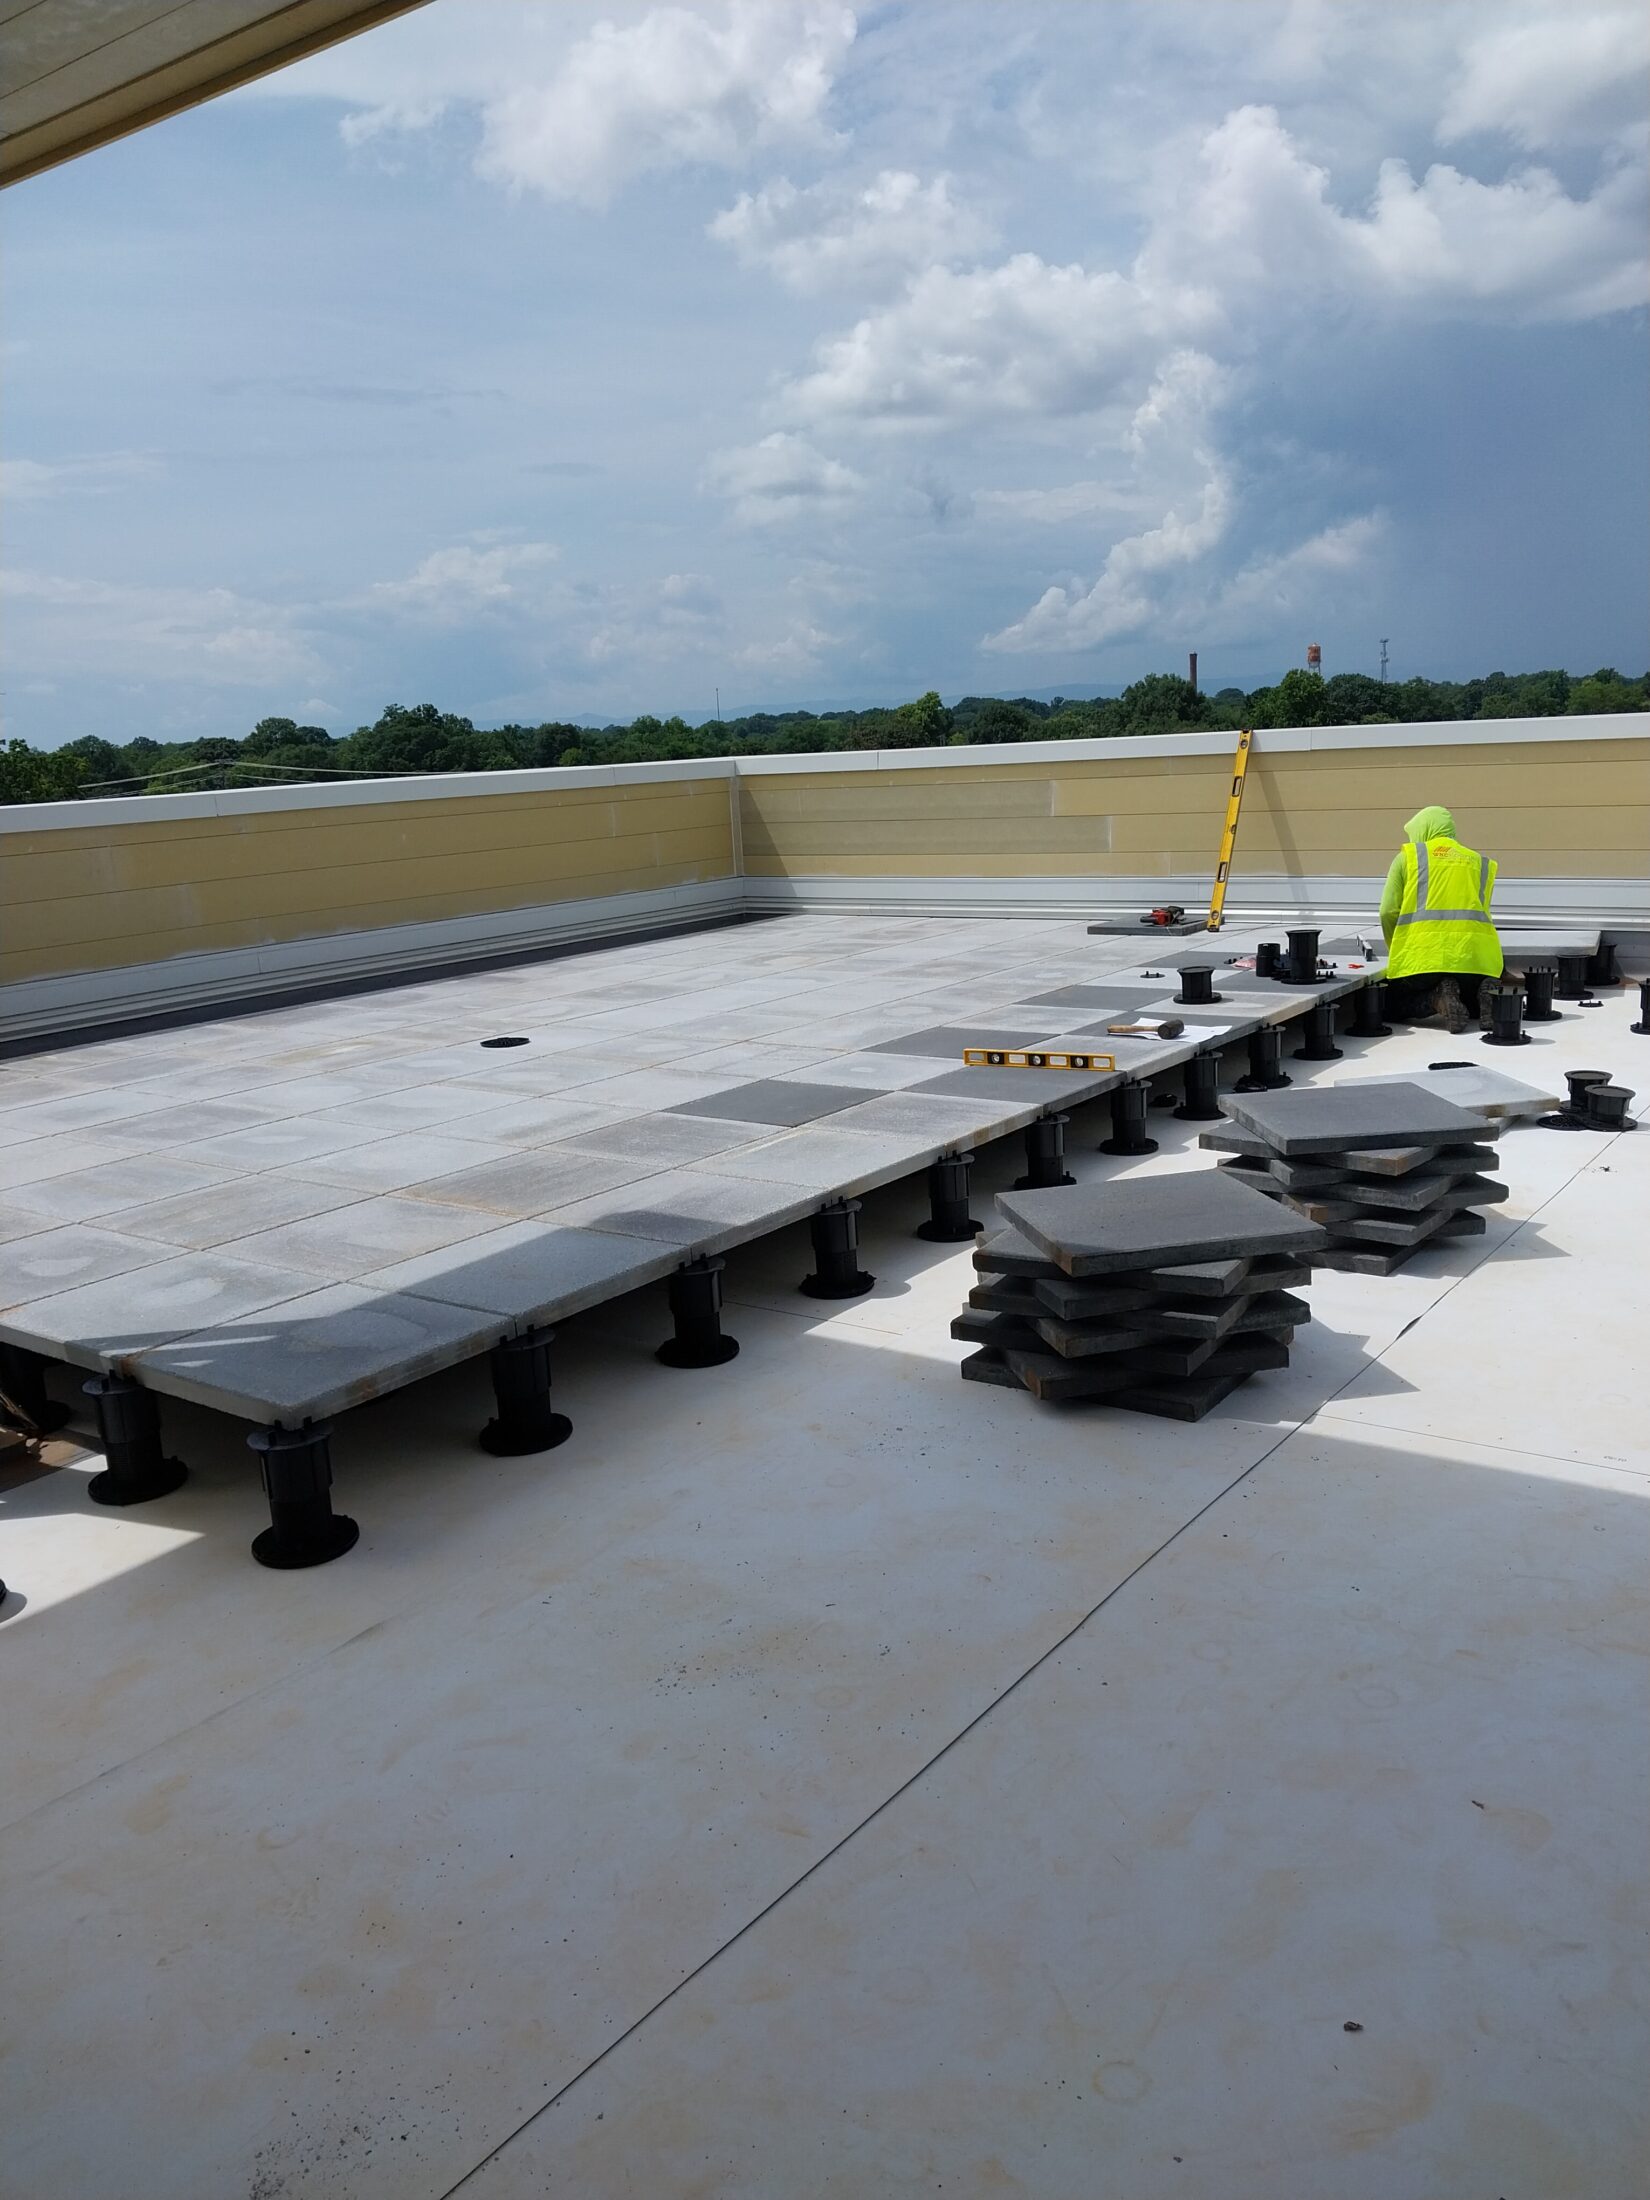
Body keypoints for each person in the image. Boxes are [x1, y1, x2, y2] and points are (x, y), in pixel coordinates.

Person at [1379, 802, 1504, 1033]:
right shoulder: (1479, 862)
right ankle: (1488, 997)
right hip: (1478, 964)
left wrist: (1396, 948)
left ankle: (1436, 999)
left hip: (1424, 965)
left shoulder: (1408, 858)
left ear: (1423, 830)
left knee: (1386, 1004)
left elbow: (1387, 911)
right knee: (1468, 1001)